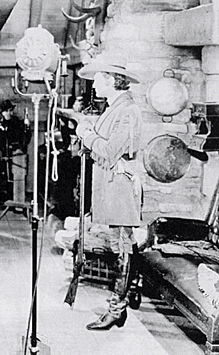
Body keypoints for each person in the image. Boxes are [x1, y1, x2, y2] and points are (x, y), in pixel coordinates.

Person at [75, 54, 142, 331]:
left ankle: (117, 309)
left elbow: (111, 151)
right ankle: (126, 297)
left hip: (120, 188)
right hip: (111, 185)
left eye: (98, 79)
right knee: (121, 245)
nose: (94, 85)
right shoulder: (114, 107)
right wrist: (90, 131)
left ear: (113, 80)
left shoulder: (127, 110)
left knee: (122, 247)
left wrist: (86, 134)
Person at [0, 99, 31, 202]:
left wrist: (27, 126)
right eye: (6, 111)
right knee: (1, 175)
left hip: (14, 155)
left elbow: (25, 137)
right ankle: (2, 197)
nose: (8, 113)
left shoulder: (16, 123)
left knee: (14, 177)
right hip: (0, 154)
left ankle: (13, 198)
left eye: (9, 111)